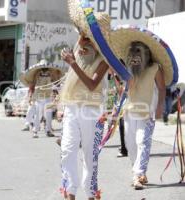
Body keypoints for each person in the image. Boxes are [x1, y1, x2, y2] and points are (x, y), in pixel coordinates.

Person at [111, 27, 175, 190]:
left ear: (146, 53)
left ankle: (138, 174)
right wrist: (117, 107)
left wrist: (160, 106)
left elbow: (162, 88)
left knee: (142, 142)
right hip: (129, 111)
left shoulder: (155, 68)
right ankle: (138, 171)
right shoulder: (128, 69)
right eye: (132, 52)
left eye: (138, 52)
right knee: (130, 144)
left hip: (148, 112)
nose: (135, 56)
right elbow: (126, 89)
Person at [60, 10, 112, 200]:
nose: (84, 36)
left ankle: (91, 193)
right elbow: (71, 78)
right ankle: (70, 191)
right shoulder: (78, 45)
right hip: (71, 107)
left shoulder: (105, 58)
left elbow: (92, 85)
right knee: (67, 149)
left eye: (90, 33)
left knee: (90, 155)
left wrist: (72, 63)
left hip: (92, 109)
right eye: (84, 31)